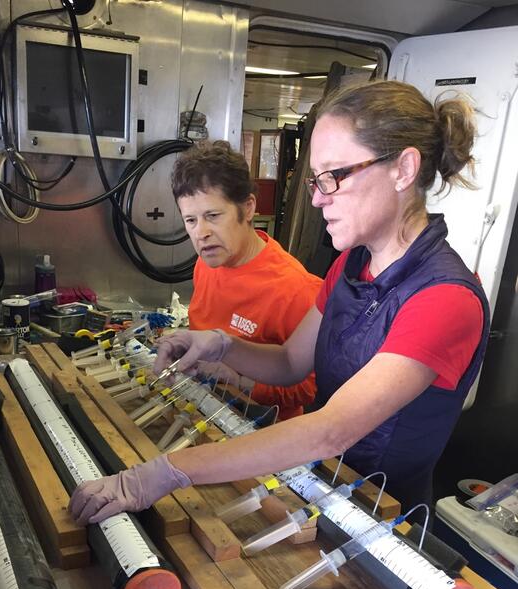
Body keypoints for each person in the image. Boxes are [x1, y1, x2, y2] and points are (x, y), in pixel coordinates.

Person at [69, 80, 490, 526]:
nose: (315, 197)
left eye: (334, 176)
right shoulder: (352, 265)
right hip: (321, 488)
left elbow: (331, 430)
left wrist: (170, 472)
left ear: (403, 169)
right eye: (314, 178)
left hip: (384, 523)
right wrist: (221, 345)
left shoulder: (445, 298)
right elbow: (291, 361)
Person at [171, 140, 323, 420]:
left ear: (249, 208)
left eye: (213, 216)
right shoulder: (206, 265)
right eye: (190, 221)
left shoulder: (296, 289)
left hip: (261, 426)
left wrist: (242, 381)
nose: (201, 233)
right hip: (206, 409)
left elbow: (310, 388)